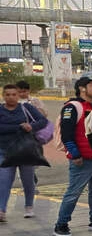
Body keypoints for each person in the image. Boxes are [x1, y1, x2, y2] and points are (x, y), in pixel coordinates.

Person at [52, 76, 92, 236]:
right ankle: (61, 224)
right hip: (82, 158)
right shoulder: (72, 107)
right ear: (82, 88)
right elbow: (67, 134)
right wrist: (74, 154)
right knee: (74, 192)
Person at [0, 83, 47, 223]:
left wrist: (30, 126)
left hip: (25, 150)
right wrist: (18, 127)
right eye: (7, 94)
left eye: (13, 94)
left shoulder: (26, 108)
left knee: (28, 180)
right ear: (3, 96)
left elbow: (43, 121)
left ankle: (29, 206)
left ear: (18, 95)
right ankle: (1, 210)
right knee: (4, 180)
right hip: (4, 151)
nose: (11, 97)